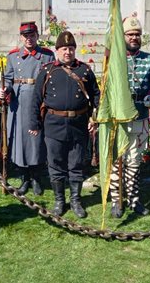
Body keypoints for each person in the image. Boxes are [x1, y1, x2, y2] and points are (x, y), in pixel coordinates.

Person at [29, 31, 100, 218]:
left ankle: (76, 200)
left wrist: (96, 117)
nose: (67, 52)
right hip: (54, 125)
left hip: (78, 124)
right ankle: (60, 200)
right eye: (63, 49)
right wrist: (34, 123)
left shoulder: (84, 70)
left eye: (70, 48)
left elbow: (96, 96)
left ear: (74, 50)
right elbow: (36, 98)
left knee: (76, 164)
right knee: (56, 165)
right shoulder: (48, 70)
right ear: (57, 50)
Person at [109, 16, 150, 218]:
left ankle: (133, 199)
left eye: (137, 34)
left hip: (140, 115)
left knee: (134, 160)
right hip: (118, 118)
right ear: (122, 36)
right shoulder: (114, 59)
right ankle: (116, 200)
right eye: (130, 34)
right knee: (117, 160)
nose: (134, 37)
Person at [0, 21, 55, 195]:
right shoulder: (13, 57)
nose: (29, 39)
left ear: (37, 36)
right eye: (25, 36)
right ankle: (24, 178)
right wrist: (4, 90)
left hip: (38, 102)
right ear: (21, 37)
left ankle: (37, 178)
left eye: (32, 35)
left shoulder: (47, 56)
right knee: (20, 140)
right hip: (18, 102)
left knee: (36, 141)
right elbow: (8, 79)